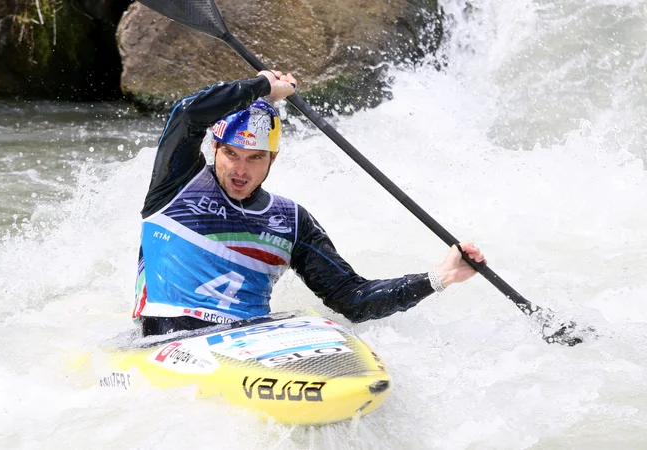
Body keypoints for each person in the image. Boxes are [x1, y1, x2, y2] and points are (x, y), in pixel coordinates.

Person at [132, 70, 486, 337]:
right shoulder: (176, 183)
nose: (240, 170)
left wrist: (439, 277)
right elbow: (186, 114)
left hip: (249, 343)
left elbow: (352, 298)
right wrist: (262, 87)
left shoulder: (291, 220)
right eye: (231, 154)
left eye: (255, 158)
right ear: (215, 148)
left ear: (274, 158)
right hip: (166, 340)